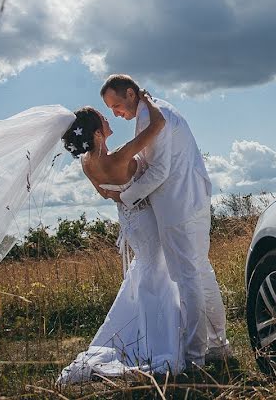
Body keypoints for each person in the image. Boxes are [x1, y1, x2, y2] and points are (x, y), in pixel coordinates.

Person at [99, 74, 230, 368]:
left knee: (187, 279)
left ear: (131, 94)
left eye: (117, 105)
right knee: (201, 272)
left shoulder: (150, 116)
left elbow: (158, 171)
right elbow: (151, 163)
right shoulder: (158, 108)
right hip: (192, 199)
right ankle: (219, 345)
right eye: (110, 110)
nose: (116, 114)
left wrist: (125, 196)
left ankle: (196, 357)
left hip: (176, 206)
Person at [57, 95, 185, 384]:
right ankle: (158, 343)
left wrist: (122, 196)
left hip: (129, 223)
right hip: (145, 221)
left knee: (148, 273)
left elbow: (106, 193)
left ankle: (144, 332)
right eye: (103, 119)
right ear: (97, 133)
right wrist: (146, 100)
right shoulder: (118, 157)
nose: (108, 118)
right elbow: (159, 125)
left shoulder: (88, 163)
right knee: (157, 276)